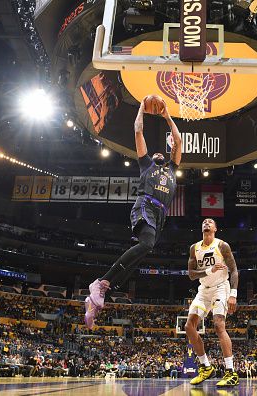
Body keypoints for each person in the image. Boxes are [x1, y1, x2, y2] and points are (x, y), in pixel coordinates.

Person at [85, 97, 182, 329]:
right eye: (155, 153)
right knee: (146, 245)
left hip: (160, 214)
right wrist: (142, 108)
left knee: (141, 253)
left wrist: (167, 115)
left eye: (162, 153)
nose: (158, 154)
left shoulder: (172, 168)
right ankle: (99, 282)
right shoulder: (146, 164)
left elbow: (178, 141)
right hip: (145, 205)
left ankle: (100, 293)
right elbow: (138, 131)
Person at [184, 218, 239, 387]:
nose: (206, 223)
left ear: (215, 228)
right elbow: (191, 274)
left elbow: (234, 270)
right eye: (204, 221)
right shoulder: (195, 248)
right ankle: (206, 367)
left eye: (210, 222)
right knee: (188, 327)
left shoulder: (222, 246)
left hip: (221, 288)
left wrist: (233, 294)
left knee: (218, 325)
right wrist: (210, 270)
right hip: (204, 290)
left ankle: (231, 372)